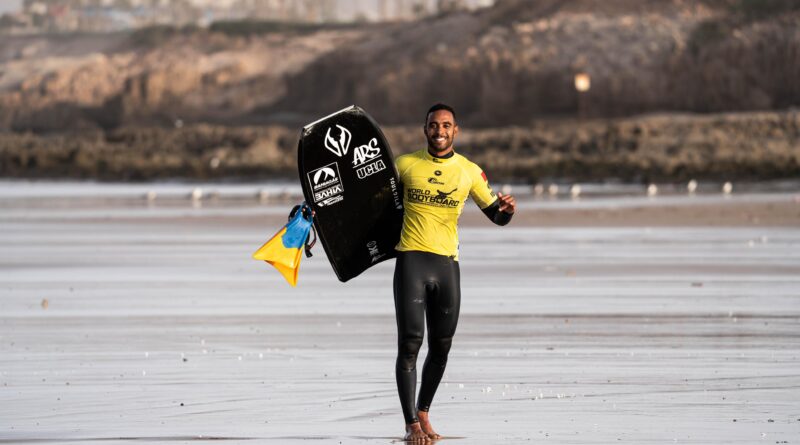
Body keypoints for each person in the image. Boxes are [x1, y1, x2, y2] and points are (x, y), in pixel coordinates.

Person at [393, 103, 516, 442]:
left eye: (446, 125)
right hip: (412, 261)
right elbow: (368, 201)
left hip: (447, 264)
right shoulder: (404, 165)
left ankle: (423, 412)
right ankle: (411, 425)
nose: (440, 131)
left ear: (455, 130)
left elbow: (496, 215)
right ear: (425, 129)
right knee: (410, 344)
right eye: (434, 125)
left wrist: (507, 211)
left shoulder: (469, 171)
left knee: (442, 346)